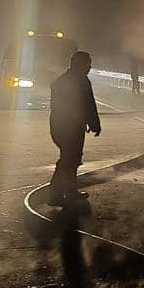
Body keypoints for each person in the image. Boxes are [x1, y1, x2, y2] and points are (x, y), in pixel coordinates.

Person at [48, 51, 101, 205]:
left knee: (70, 158)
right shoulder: (81, 81)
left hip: (59, 125)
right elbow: (89, 105)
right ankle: (57, 195)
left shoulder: (61, 80)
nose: (90, 67)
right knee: (69, 160)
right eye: (88, 64)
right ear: (81, 64)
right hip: (71, 127)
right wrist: (94, 124)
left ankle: (67, 192)